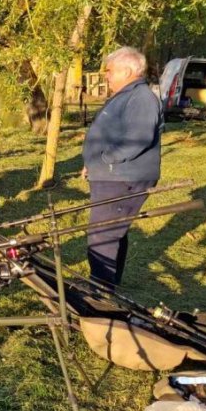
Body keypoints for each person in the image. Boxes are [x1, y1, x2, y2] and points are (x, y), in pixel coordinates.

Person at [81, 46, 163, 288]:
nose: (106, 75)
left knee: (102, 235)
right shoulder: (128, 95)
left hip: (122, 179)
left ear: (127, 71)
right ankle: (108, 286)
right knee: (112, 232)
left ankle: (100, 293)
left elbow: (138, 138)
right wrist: (92, 165)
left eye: (109, 71)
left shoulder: (141, 97)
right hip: (112, 177)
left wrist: (105, 159)